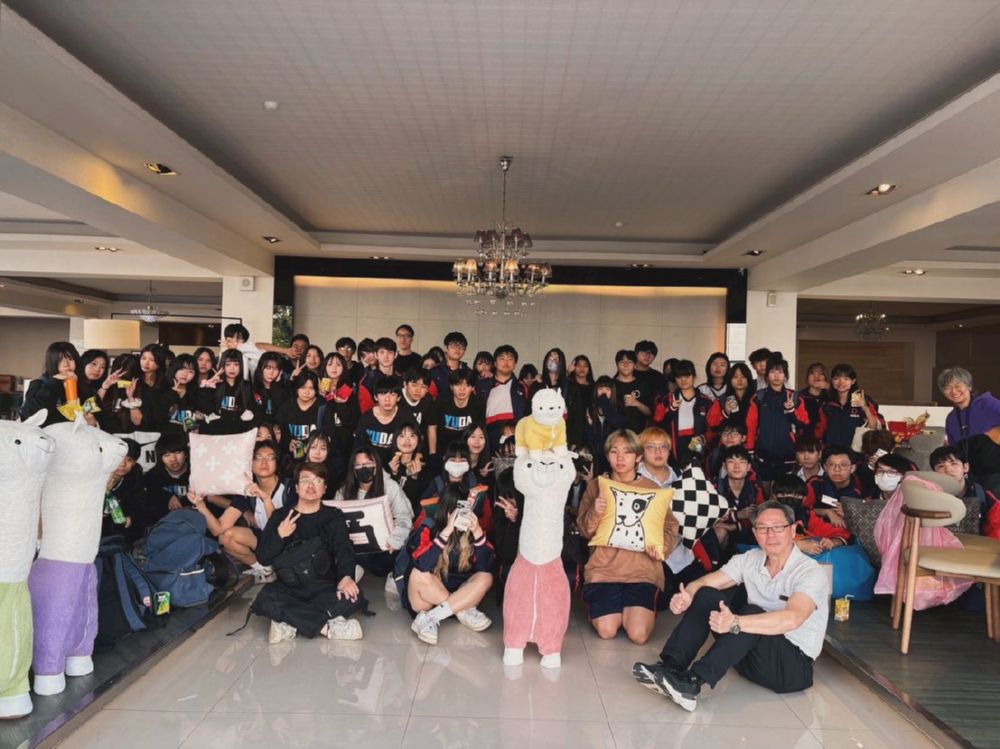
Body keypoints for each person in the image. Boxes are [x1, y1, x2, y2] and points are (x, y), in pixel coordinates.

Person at [633, 501, 829, 711]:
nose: (770, 534)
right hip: (749, 655)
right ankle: (669, 667)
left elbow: (793, 619)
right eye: (763, 528)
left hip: (791, 669)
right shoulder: (749, 559)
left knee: (751, 613)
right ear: (755, 533)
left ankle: (692, 683)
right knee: (707, 595)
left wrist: (735, 622)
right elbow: (705, 582)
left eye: (778, 527)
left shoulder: (810, 572)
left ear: (793, 530)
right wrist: (687, 595)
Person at [577, 429, 679, 644]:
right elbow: (585, 531)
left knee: (638, 635)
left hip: (641, 571)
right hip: (604, 570)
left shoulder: (651, 488)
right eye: (614, 452)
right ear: (607, 456)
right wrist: (595, 510)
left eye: (627, 452)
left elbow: (670, 526)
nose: (620, 458)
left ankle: (631, 610)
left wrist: (661, 548)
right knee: (607, 630)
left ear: (638, 457)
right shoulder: (597, 485)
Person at [254, 461, 367, 643]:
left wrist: (346, 577)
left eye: (318, 481)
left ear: (325, 489)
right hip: (290, 588)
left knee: (353, 596)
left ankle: (289, 623)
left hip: (325, 585)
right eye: (305, 480)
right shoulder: (281, 516)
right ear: (296, 488)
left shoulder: (333, 516)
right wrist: (280, 535)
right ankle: (327, 628)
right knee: (264, 599)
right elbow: (263, 557)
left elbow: (344, 549)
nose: (311, 486)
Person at [404, 483, 496, 645]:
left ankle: (432, 618)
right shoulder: (429, 526)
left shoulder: (473, 528)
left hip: (460, 592)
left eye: (464, 509)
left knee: (486, 577)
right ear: (447, 510)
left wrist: (477, 532)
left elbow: (485, 567)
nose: (461, 515)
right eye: (456, 511)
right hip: (430, 597)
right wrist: (446, 531)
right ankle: (458, 610)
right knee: (418, 574)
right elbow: (422, 565)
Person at [189, 440, 288, 582]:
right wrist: (201, 506)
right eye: (257, 458)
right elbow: (218, 529)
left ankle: (282, 568)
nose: (264, 462)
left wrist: (266, 498)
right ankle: (264, 569)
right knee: (225, 537)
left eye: (270, 457)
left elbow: (279, 526)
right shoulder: (247, 491)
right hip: (265, 541)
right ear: (249, 464)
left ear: (277, 462)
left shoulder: (289, 487)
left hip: (287, 541)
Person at [330, 447, 414, 606]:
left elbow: (404, 516)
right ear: (353, 468)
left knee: (406, 548)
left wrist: (396, 538)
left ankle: (395, 574)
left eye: (368, 464)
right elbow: (334, 523)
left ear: (377, 465)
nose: (364, 468)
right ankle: (349, 576)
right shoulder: (344, 491)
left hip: (386, 549)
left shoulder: (390, 486)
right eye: (359, 465)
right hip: (355, 551)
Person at [746, 354, 809, 487]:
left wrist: (791, 410)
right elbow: (751, 425)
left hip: (787, 455)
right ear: (766, 376)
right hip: (763, 455)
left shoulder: (795, 397)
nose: (776, 375)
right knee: (764, 492)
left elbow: (804, 423)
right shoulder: (759, 397)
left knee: (784, 491)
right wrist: (749, 449)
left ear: (785, 376)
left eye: (780, 372)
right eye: (772, 372)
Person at [655, 359, 713, 461]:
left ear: (694, 377)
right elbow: (658, 424)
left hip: (697, 445)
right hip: (673, 449)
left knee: (695, 468)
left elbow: (713, 428)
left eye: (687, 376)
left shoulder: (705, 401)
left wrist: (703, 438)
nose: (683, 380)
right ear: (675, 379)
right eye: (679, 377)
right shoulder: (667, 400)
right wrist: (671, 409)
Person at [477, 344, 531, 451]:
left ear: (515, 364)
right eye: (502, 358)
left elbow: (526, 415)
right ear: (495, 363)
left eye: (510, 359)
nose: (506, 362)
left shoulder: (522, 388)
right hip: (488, 438)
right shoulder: (482, 385)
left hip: (515, 439)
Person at [818, 363, 883, 450]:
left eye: (846, 379)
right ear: (832, 381)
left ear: (853, 381)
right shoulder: (827, 402)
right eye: (836, 378)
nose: (841, 382)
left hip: (855, 452)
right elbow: (820, 429)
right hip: (831, 451)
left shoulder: (862, 399)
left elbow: (874, 427)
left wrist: (865, 408)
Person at [938, 366, 1000, 450]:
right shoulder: (951, 418)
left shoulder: (987, 404)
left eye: (957, 386)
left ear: (969, 386)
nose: (953, 391)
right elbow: (954, 448)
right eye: (947, 388)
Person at [428, 368, 484, 459]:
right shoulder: (440, 402)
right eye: (458, 385)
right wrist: (432, 454)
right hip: (443, 449)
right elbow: (432, 428)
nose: (462, 389)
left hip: (468, 451)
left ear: (473, 388)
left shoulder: (478, 405)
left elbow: (480, 432)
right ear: (451, 387)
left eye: (467, 385)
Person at [100, 439, 149, 545]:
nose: (122, 464)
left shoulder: (134, 476)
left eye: (129, 460)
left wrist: (130, 517)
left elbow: (139, 504)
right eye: (119, 459)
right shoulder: (96, 475)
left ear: (134, 463)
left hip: (119, 532)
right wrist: (104, 492)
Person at [318, 352, 360, 468]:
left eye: (338, 364)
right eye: (330, 364)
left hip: (343, 446)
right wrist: (321, 398)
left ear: (344, 368)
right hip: (322, 443)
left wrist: (341, 405)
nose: (334, 368)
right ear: (324, 367)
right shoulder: (319, 388)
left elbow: (353, 423)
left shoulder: (348, 390)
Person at [198, 348, 254, 435]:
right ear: (223, 365)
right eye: (228, 364)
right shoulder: (215, 384)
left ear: (241, 366)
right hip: (215, 431)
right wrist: (209, 384)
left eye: (236, 364)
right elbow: (204, 407)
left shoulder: (247, 386)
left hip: (239, 432)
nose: (232, 368)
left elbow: (251, 409)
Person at [355, 376, 406, 465]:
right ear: (375, 397)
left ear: (398, 398)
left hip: (398, 464)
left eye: (392, 395)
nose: (387, 399)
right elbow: (358, 447)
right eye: (382, 394)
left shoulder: (405, 417)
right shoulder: (366, 418)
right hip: (371, 464)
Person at [144, 433, 192, 521]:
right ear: (160, 458)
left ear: (186, 454)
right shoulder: (152, 476)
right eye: (167, 455)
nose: (173, 459)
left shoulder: (196, 473)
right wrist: (168, 497)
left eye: (177, 452)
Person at [386, 420, 431, 513]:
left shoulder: (425, 468)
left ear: (418, 440)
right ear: (395, 439)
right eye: (402, 436)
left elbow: (416, 504)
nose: (407, 440)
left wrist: (414, 478)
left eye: (412, 436)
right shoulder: (386, 463)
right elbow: (387, 498)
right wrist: (393, 474)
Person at [275, 370, 321, 460]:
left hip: (316, 458)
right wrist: (288, 443)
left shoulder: (322, 407)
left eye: (311, 388)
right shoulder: (287, 407)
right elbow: (279, 433)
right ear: (297, 388)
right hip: (292, 458)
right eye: (303, 387)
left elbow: (328, 436)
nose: (306, 392)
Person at [705, 363, 755, 437]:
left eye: (743, 376)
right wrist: (725, 413)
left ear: (749, 379)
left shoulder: (756, 399)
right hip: (728, 441)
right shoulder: (721, 400)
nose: (739, 380)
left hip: (752, 441)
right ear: (730, 380)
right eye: (735, 377)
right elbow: (712, 425)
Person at [613, 349, 653, 434]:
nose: (626, 365)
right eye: (622, 362)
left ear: (634, 365)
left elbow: (649, 412)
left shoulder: (642, 384)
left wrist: (636, 403)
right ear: (617, 365)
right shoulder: (611, 385)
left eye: (629, 362)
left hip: (638, 433)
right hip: (615, 433)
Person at [162, 354, 201, 435]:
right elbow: (160, 416)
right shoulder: (163, 388)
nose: (185, 374)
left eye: (191, 372)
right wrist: (172, 394)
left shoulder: (195, 392)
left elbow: (191, 423)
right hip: (165, 438)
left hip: (188, 438)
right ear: (174, 369)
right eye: (182, 369)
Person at [359, 337, 399, 411]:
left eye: (389, 352)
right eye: (382, 352)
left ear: (395, 354)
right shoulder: (367, 381)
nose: (386, 356)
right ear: (376, 355)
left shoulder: (402, 378)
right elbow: (366, 411)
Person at [250, 351, 291, 422]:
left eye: (275, 369)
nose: (271, 373)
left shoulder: (285, 390)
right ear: (261, 368)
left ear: (280, 371)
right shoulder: (252, 388)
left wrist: (277, 386)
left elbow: (283, 413)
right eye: (268, 368)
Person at [566, 354, 596, 449]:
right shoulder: (568, 385)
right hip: (571, 428)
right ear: (573, 367)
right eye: (579, 365)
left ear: (589, 369)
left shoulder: (594, 387)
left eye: (585, 366)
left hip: (589, 429)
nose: (582, 368)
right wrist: (567, 372)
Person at [429, 331, 469, 399]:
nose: (457, 349)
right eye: (454, 346)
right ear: (445, 348)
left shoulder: (468, 371)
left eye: (461, 346)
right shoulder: (434, 372)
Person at [798, 363, 829, 440]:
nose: (816, 376)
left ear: (825, 378)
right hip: (804, 441)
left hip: (827, 442)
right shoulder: (799, 397)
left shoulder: (831, 397)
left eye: (821, 373)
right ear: (807, 378)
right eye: (812, 373)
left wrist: (830, 387)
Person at [399, 367, 433, 431]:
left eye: (423, 387)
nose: (418, 390)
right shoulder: (396, 398)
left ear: (427, 389)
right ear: (405, 384)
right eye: (414, 385)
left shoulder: (428, 400)